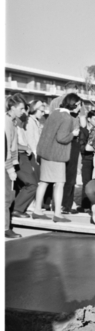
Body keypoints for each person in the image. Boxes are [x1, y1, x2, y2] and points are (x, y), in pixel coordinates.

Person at [32, 93, 81, 223]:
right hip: (57, 155)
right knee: (59, 184)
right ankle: (58, 214)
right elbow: (62, 138)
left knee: (43, 182)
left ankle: (37, 210)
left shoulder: (54, 113)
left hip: (45, 152)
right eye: (79, 105)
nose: (80, 108)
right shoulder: (67, 118)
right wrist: (73, 134)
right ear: (74, 104)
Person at [49, 81, 86, 214]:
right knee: (69, 174)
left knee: (61, 173)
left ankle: (59, 204)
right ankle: (65, 205)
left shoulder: (55, 102)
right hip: (70, 139)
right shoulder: (59, 102)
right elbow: (83, 124)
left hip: (61, 139)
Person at [5, 94, 26, 238]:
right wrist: (10, 168)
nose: (23, 111)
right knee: (6, 198)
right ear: (12, 108)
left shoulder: (12, 122)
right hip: (5, 165)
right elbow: (5, 148)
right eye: (21, 108)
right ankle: (5, 228)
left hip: (8, 164)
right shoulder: (6, 122)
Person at [12, 102, 38, 218]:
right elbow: (11, 144)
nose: (25, 113)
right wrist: (25, 148)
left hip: (23, 156)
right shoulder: (12, 124)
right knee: (32, 184)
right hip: (18, 156)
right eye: (23, 110)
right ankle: (17, 209)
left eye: (25, 110)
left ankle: (18, 208)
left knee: (24, 185)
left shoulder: (20, 124)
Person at [78, 110, 95, 212]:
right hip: (87, 160)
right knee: (86, 183)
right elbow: (82, 148)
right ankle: (85, 205)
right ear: (89, 119)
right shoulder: (83, 131)